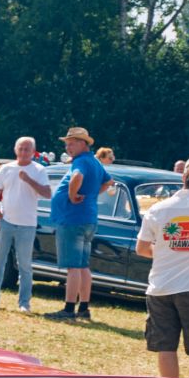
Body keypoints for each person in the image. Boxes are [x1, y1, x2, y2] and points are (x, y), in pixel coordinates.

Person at [0, 137, 52, 313]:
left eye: (27, 149)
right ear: (15, 149)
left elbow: (47, 193)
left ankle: (24, 303)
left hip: (27, 224)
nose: (24, 152)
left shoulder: (39, 170)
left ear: (33, 152)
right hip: (6, 222)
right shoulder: (6, 168)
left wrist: (28, 180)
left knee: (24, 265)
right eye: (21, 148)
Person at [137, 159, 189, 378]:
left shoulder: (158, 209)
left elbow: (141, 248)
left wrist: (166, 251)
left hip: (161, 288)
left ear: (183, 178)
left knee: (166, 347)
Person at [48, 126, 108, 321]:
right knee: (82, 266)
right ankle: (84, 307)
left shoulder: (81, 162)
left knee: (73, 267)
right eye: (67, 143)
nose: (68, 147)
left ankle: (68, 309)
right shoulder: (95, 162)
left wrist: (73, 196)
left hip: (73, 219)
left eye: (71, 143)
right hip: (88, 219)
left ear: (83, 144)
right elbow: (109, 182)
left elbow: (77, 177)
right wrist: (92, 195)